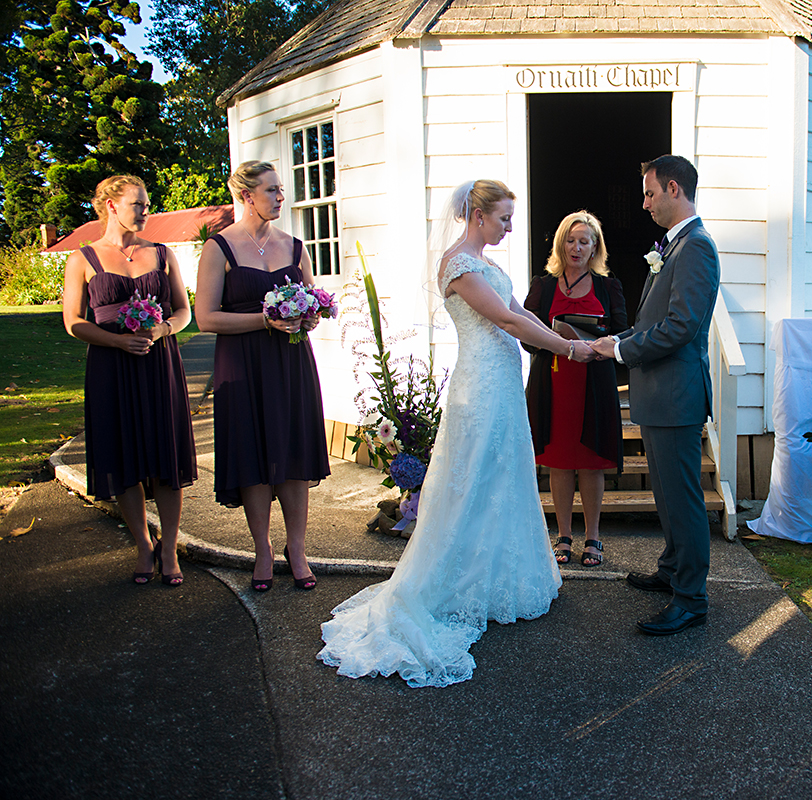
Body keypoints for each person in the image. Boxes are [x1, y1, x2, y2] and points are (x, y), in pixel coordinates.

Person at [318, 179, 593, 686]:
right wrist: (569, 350)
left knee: (504, 476)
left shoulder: (488, 264)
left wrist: (565, 336)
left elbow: (523, 313)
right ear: (477, 214)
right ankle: (457, 584)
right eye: (504, 218)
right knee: (474, 480)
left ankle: (500, 580)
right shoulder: (460, 265)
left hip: (503, 383)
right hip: (480, 387)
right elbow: (506, 320)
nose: (509, 227)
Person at [592, 155, 720, 636]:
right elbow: (654, 320)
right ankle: (672, 570)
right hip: (660, 394)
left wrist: (622, 350)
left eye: (649, 194)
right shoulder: (674, 245)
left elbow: (681, 326)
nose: (644, 204)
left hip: (676, 395)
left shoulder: (696, 247)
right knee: (666, 493)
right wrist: (618, 339)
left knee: (682, 498)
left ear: (673, 189)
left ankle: (691, 599)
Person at [195, 160, 330, 592]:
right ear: (246, 195)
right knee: (252, 452)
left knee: (293, 452)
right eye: (271, 190)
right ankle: (263, 550)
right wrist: (265, 320)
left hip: (290, 362)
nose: (280, 197)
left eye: (280, 189)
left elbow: (312, 304)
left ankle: (298, 549)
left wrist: (309, 317)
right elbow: (205, 318)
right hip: (242, 363)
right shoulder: (219, 247)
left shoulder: (294, 246)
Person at [62, 175, 196, 587]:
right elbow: (73, 322)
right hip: (111, 369)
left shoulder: (162, 254)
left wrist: (162, 330)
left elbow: (183, 311)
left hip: (159, 366)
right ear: (111, 205)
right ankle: (142, 544)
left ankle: (169, 547)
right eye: (138, 204)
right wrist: (118, 342)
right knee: (124, 457)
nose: (145, 211)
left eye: (147, 204)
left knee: (166, 456)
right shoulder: (82, 259)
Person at [523, 211, 627, 567]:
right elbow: (526, 334)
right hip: (553, 384)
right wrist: (555, 338)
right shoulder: (544, 285)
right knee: (560, 462)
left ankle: (593, 536)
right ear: (560, 244)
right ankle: (564, 535)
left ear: (595, 247)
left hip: (593, 383)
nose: (576, 247)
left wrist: (598, 340)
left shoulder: (608, 286)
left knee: (590, 462)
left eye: (584, 241)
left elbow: (622, 332)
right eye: (570, 240)